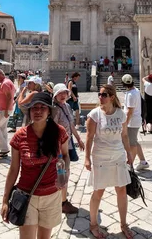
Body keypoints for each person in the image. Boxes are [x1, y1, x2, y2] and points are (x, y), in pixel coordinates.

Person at [0, 92, 69, 238]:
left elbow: (65, 155)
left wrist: (64, 173)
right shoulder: (20, 136)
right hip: (27, 195)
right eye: (34, 108)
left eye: (42, 108)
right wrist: (5, 200)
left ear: (49, 111)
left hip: (52, 194)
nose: (38, 111)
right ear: (29, 111)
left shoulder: (59, 132)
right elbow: (13, 169)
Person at [85, 85, 134, 239]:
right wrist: (87, 158)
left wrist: (129, 153)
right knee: (99, 191)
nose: (100, 97)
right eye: (99, 94)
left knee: (121, 190)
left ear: (112, 97)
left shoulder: (121, 114)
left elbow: (125, 135)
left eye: (104, 94)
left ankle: (124, 224)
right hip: (101, 157)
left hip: (118, 156)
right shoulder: (94, 114)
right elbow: (89, 137)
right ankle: (93, 225)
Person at [52, 84, 85, 214]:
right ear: (55, 95)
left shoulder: (66, 106)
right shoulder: (54, 109)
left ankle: (61, 198)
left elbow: (71, 125)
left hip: (68, 143)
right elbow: (52, 129)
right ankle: (62, 202)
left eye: (64, 93)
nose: (63, 95)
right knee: (62, 173)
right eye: (60, 93)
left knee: (66, 171)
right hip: (58, 145)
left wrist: (79, 139)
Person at [121, 74, 149, 171]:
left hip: (132, 122)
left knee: (131, 144)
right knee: (134, 142)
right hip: (136, 120)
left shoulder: (130, 95)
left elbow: (130, 111)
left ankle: (130, 165)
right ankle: (143, 162)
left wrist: (125, 124)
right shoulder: (136, 90)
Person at [0, 69, 16, 159]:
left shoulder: (5, 83)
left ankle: (4, 149)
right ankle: (4, 150)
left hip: (3, 110)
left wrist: (6, 111)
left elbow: (9, 97)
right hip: (5, 109)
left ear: (1, 75)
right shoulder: (6, 82)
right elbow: (4, 95)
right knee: (2, 129)